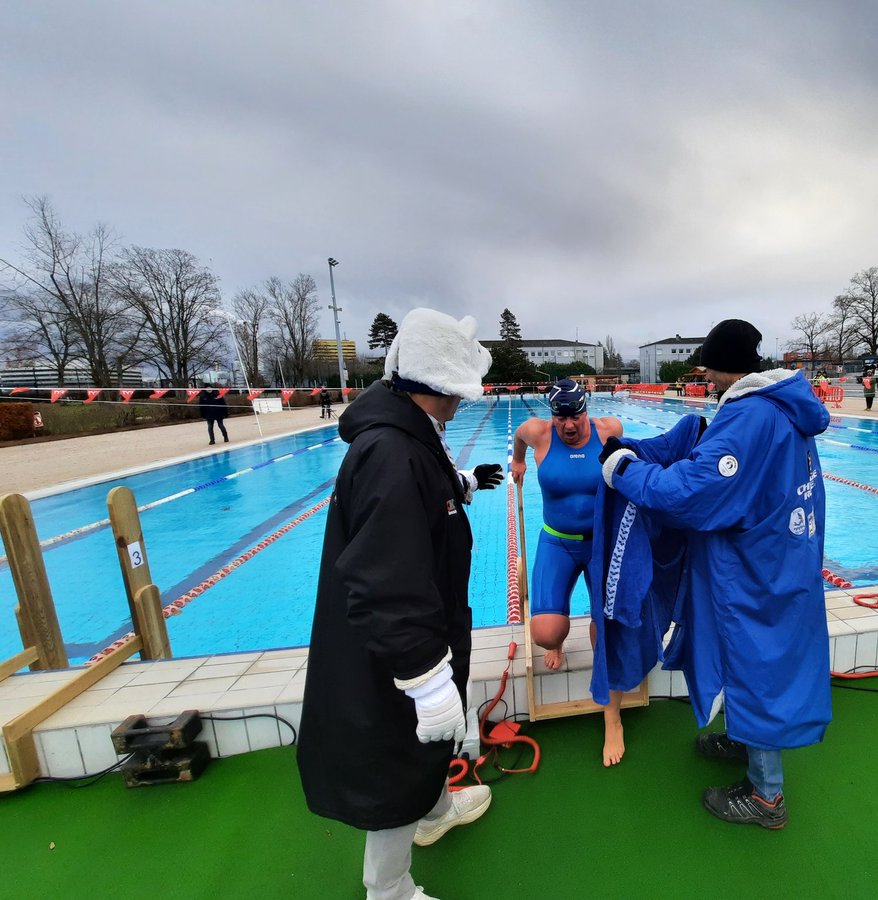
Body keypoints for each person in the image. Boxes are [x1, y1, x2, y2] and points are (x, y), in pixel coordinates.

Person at [297, 308, 501, 900]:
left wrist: (458, 484)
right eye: (456, 391)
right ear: (434, 387)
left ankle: (435, 813)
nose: (462, 402)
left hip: (421, 630)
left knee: (425, 748)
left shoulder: (404, 432)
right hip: (393, 651)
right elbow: (386, 580)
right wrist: (426, 680)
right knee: (398, 754)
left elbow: (413, 495)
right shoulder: (390, 453)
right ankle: (388, 889)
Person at [600, 319, 831, 829]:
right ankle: (744, 737)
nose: (705, 382)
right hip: (782, 559)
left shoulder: (750, 418)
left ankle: (767, 797)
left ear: (722, 368)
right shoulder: (783, 407)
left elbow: (688, 493)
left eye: (706, 371)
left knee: (758, 666)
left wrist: (621, 467)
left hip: (755, 572)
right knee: (749, 659)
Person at [511, 379, 627, 765]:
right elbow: (518, 436)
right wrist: (518, 460)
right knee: (545, 633)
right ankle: (559, 639)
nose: (569, 425)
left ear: (586, 409)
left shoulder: (609, 429)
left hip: (599, 542)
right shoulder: (538, 433)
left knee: (606, 632)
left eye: (575, 415)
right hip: (556, 541)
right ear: (552, 416)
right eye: (560, 417)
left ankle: (613, 719)